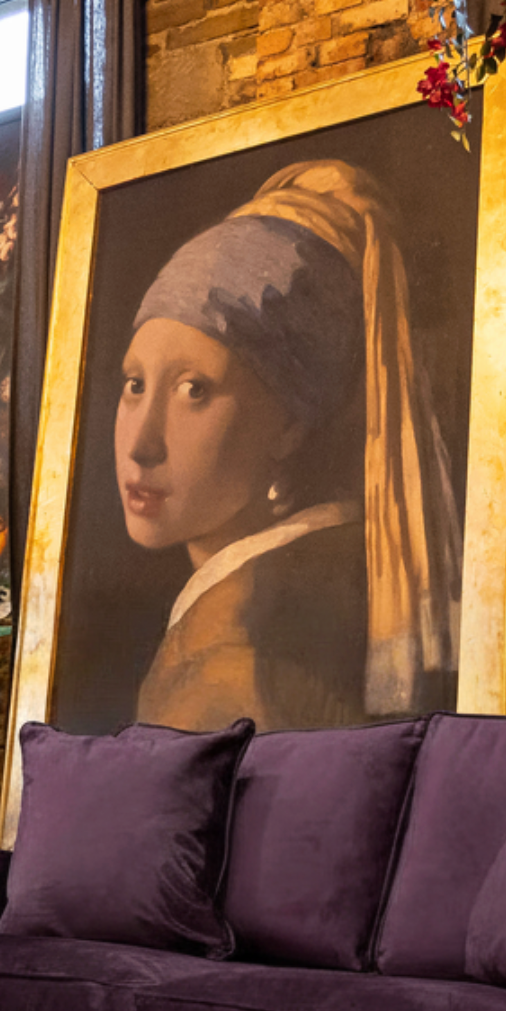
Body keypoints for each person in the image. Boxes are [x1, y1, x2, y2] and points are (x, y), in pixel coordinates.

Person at [112, 158, 461, 731]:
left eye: (194, 389)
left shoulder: (234, 659)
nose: (142, 444)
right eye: (135, 385)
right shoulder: (314, 574)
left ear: (291, 425)